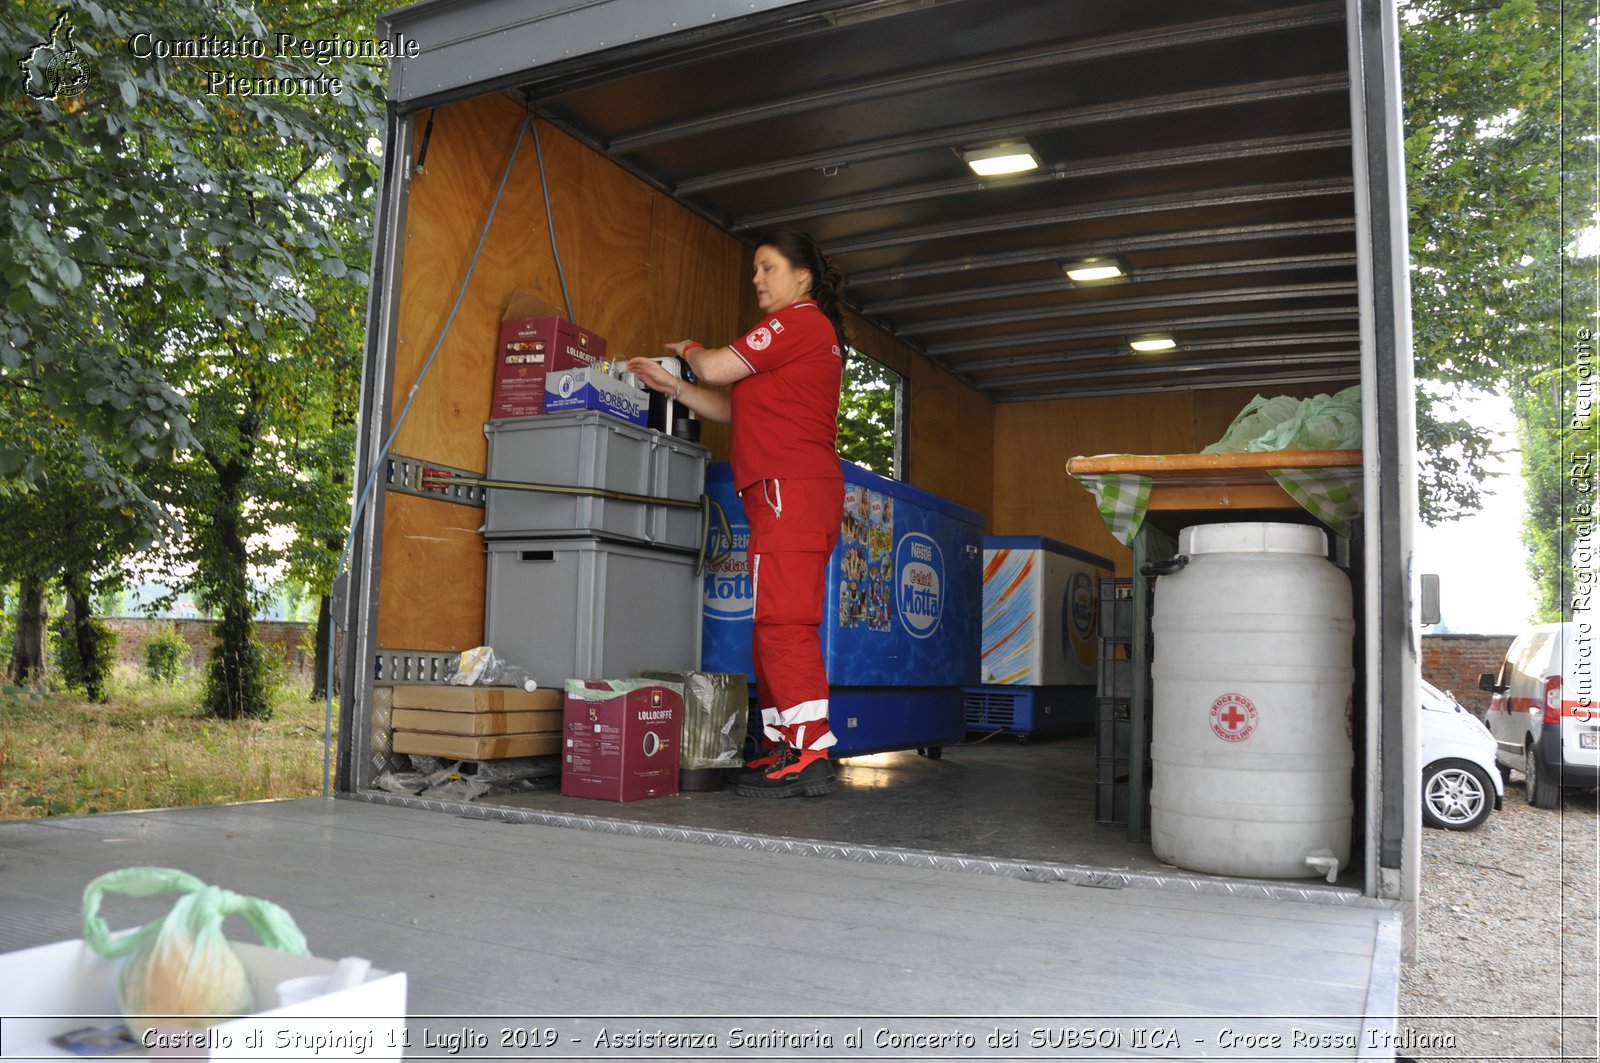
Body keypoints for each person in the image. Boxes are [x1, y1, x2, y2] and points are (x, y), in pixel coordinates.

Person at [626, 231, 846, 799]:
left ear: (803, 277)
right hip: (784, 494)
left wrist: (691, 352)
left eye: (767, 268)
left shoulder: (800, 322)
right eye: (755, 270)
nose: (757, 280)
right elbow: (730, 406)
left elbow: (719, 368)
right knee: (773, 624)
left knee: (785, 624)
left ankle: (813, 748)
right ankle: (785, 745)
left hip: (791, 491)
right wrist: (673, 384)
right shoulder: (792, 341)